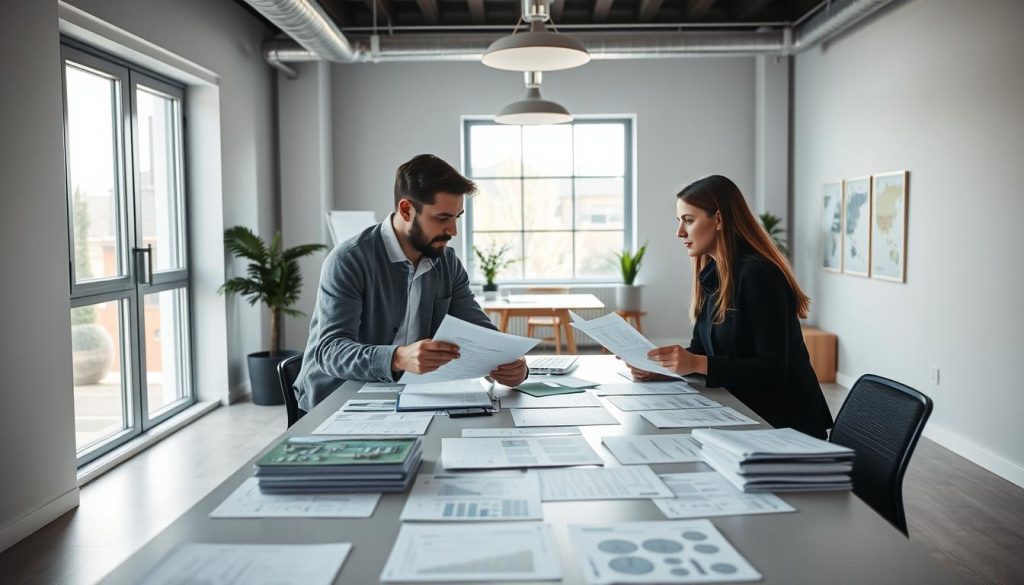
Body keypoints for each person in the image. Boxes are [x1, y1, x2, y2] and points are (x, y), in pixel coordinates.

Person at [294, 154, 528, 412]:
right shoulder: (349, 261)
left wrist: (511, 366)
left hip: (412, 392)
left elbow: (480, 332)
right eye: (442, 218)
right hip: (337, 397)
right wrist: (398, 357)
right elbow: (330, 351)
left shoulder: (447, 262)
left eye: (456, 217)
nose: (453, 231)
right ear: (406, 210)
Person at [627, 175, 834, 438]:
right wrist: (663, 369)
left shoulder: (759, 274)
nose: (679, 232)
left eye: (688, 220)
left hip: (783, 426)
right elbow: (702, 350)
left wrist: (697, 363)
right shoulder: (712, 273)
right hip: (743, 412)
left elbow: (772, 368)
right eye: (679, 221)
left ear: (719, 220)